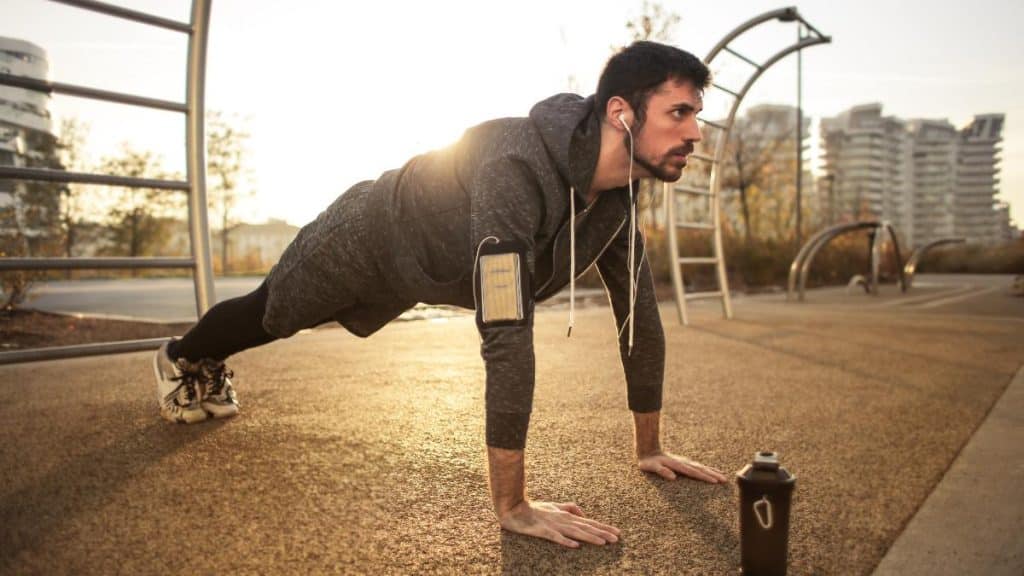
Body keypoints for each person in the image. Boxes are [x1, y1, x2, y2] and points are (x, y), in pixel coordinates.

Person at [153, 40, 729, 549]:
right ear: (621, 113)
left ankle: (200, 358)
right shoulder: (515, 167)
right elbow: (506, 328)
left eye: (697, 115)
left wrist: (649, 448)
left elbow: (640, 316)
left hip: (427, 268)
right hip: (367, 235)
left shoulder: (618, 201)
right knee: (271, 315)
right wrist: (513, 505)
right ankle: (183, 355)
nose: (695, 133)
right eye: (679, 113)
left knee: (275, 315)